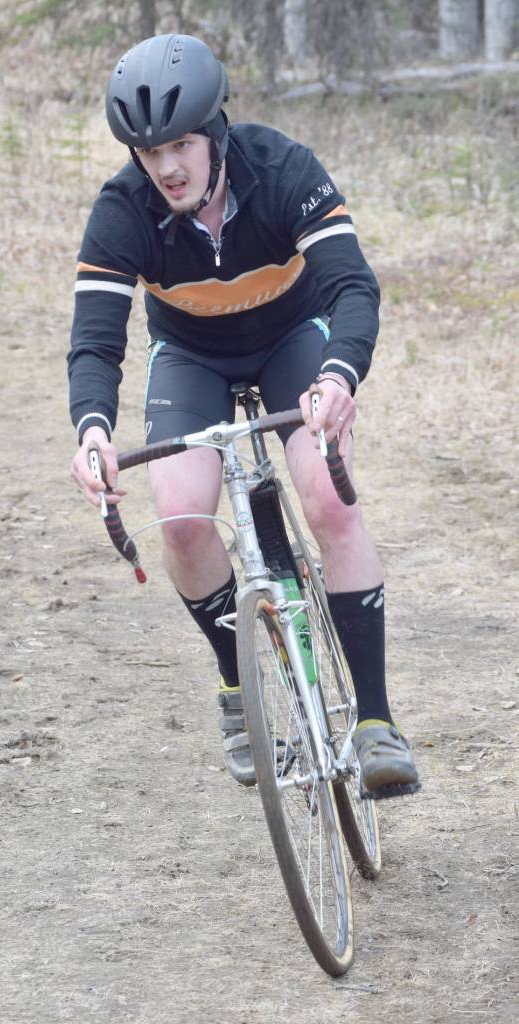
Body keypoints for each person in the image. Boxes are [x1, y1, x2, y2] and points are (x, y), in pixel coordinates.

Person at [68, 33, 419, 799]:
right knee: (183, 520)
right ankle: (239, 690)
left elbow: (352, 288)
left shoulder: (284, 169)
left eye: (181, 143)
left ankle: (375, 723)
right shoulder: (122, 211)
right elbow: (95, 343)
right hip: (191, 359)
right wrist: (92, 428)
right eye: (148, 150)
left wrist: (337, 374)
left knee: (327, 496)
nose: (166, 167)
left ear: (216, 131)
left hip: (294, 344)